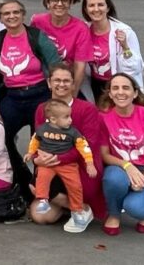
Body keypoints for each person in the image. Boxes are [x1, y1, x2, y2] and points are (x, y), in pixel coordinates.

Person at [0, 0, 62, 188]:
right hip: (12, 97)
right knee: (0, 138)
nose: (11, 16)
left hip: (39, 95)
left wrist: (57, 95)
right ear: (0, 18)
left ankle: (43, 186)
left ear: (23, 14)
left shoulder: (36, 36)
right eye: (6, 13)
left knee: (44, 143)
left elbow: (55, 65)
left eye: (16, 12)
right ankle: (22, 179)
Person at [30, 63, 107, 231]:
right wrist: (38, 158)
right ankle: (70, 206)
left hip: (78, 168)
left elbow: (89, 144)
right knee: (39, 215)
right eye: (57, 80)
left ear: (73, 84)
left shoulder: (87, 109)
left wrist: (58, 158)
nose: (61, 84)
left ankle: (82, 208)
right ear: (49, 83)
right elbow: (38, 139)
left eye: (66, 81)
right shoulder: (42, 109)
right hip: (51, 166)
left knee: (41, 189)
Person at [98, 74, 144, 236]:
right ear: (110, 94)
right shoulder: (104, 118)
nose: (120, 92)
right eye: (115, 88)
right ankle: (114, 213)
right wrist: (127, 165)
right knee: (113, 179)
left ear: (135, 93)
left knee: (136, 208)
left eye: (126, 88)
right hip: (120, 167)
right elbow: (104, 155)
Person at [25, 99, 96, 233]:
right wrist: (31, 154)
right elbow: (35, 140)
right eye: (66, 117)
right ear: (53, 119)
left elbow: (84, 147)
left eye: (70, 116)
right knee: (40, 180)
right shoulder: (43, 129)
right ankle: (43, 201)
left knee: (75, 186)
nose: (70, 120)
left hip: (68, 165)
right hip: (47, 165)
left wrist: (90, 163)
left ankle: (78, 210)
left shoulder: (73, 132)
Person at [82, 0, 144, 100]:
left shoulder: (124, 31)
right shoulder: (83, 30)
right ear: (86, 9)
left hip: (117, 86)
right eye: (91, 5)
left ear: (108, 7)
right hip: (94, 85)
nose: (96, 9)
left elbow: (136, 67)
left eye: (100, 5)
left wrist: (125, 46)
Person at [29, 0, 91, 94]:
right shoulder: (37, 21)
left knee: (89, 104)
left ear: (71, 3)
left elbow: (80, 65)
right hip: (43, 74)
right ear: (48, 3)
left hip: (70, 74)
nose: (59, 3)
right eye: (55, 0)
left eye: (64, 0)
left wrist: (73, 93)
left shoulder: (81, 28)